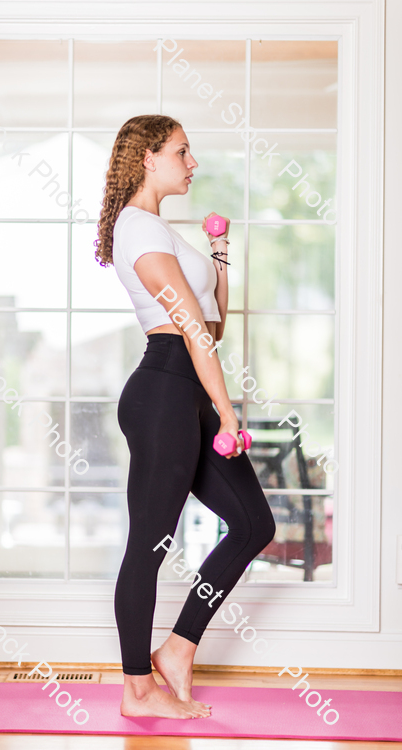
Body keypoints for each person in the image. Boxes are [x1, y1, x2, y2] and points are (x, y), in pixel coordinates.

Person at [94, 114, 276, 720]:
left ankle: (177, 648)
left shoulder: (162, 231)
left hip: (187, 387)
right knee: (149, 543)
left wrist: (220, 256)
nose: (192, 163)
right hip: (165, 392)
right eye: (182, 151)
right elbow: (193, 332)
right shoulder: (138, 228)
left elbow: (214, 322)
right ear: (148, 157)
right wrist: (227, 411)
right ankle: (135, 686)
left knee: (253, 525)